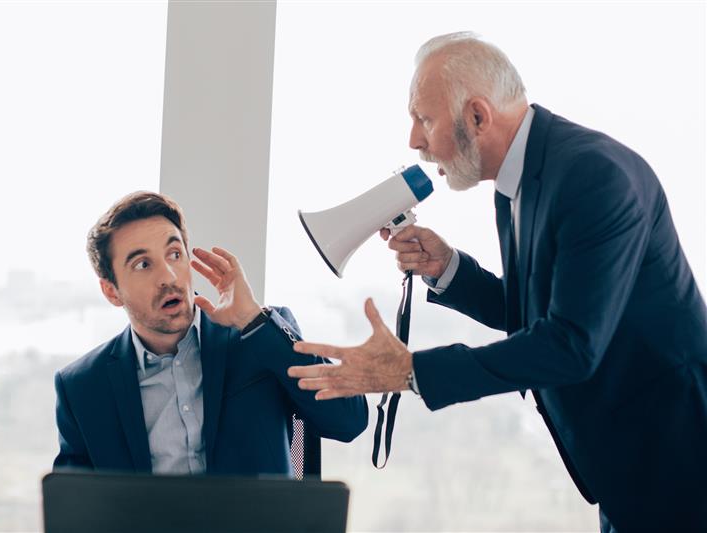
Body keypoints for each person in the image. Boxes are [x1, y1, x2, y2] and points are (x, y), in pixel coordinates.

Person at [288, 32, 707, 531]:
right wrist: (448, 269)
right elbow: (535, 313)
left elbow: (570, 344)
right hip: (627, 466)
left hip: (677, 463)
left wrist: (409, 371)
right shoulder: (518, 184)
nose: (414, 141)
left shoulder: (595, 178)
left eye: (423, 118)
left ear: (478, 117)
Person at [53, 191, 367, 477]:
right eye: (143, 264)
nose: (169, 276)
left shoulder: (258, 337)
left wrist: (253, 319)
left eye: (175, 254)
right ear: (111, 291)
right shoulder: (82, 387)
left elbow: (348, 421)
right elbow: (74, 508)